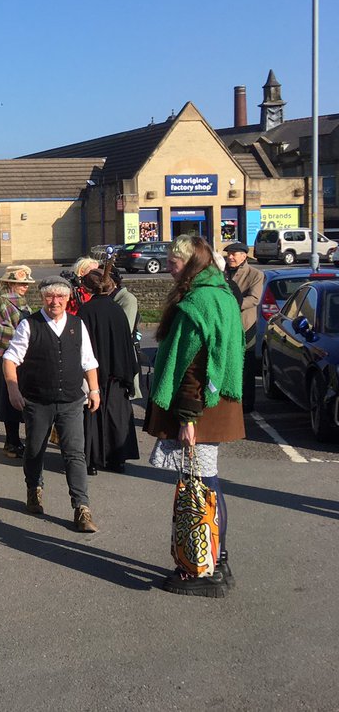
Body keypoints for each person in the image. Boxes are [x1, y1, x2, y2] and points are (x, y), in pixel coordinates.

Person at [145, 235, 244, 598]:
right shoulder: (221, 293)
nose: (170, 264)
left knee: (201, 488)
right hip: (215, 404)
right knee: (207, 483)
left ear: (193, 263)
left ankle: (204, 568)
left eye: (176, 260)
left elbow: (194, 364)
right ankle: (217, 559)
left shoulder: (198, 301)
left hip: (198, 409)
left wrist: (187, 418)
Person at [2, 276, 102, 533]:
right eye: (49, 297)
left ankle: (82, 507)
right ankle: (34, 487)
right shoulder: (29, 324)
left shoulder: (77, 325)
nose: (55, 301)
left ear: (68, 299)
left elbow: (88, 361)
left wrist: (94, 390)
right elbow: (10, 359)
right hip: (37, 400)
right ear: (42, 298)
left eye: (60, 297)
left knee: (75, 454)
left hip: (71, 400)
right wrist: (13, 389)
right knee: (35, 449)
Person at [78, 268, 140, 474]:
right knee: (116, 416)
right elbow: (125, 342)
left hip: (95, 372)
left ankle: (92, 461)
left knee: (92, 416)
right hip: (117, 371)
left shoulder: (86, 311)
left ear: (87, 288)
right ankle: (118, 459)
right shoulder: (116, 310)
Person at [0, 265, 35, 458]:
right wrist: (25, 340)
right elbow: (0, 330)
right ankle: (11, 441)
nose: (24, 287)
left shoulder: (23, 303)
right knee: (8, 401)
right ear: (10, 283)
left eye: (26, 284)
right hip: (5, 356)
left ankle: (16, 440)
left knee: (18, 400)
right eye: (21, 283)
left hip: (18, 357)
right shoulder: (3, 302)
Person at [223, 241, 264, 416]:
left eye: (234, 254)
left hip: (245, 325)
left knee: (246, 365)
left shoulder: (255, 274)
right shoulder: (220, 272)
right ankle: (227, 399)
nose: (230, 257)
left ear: (244, 256)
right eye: (228, 254)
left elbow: (254, 298)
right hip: (224, 324)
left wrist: (232, 305)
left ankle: (247, 402)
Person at [104, 262, 142, 399]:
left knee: (123, 396)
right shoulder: (107, 298)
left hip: (122, 351)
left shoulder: (127, 299)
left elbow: (125, 327)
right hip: (110, 352)